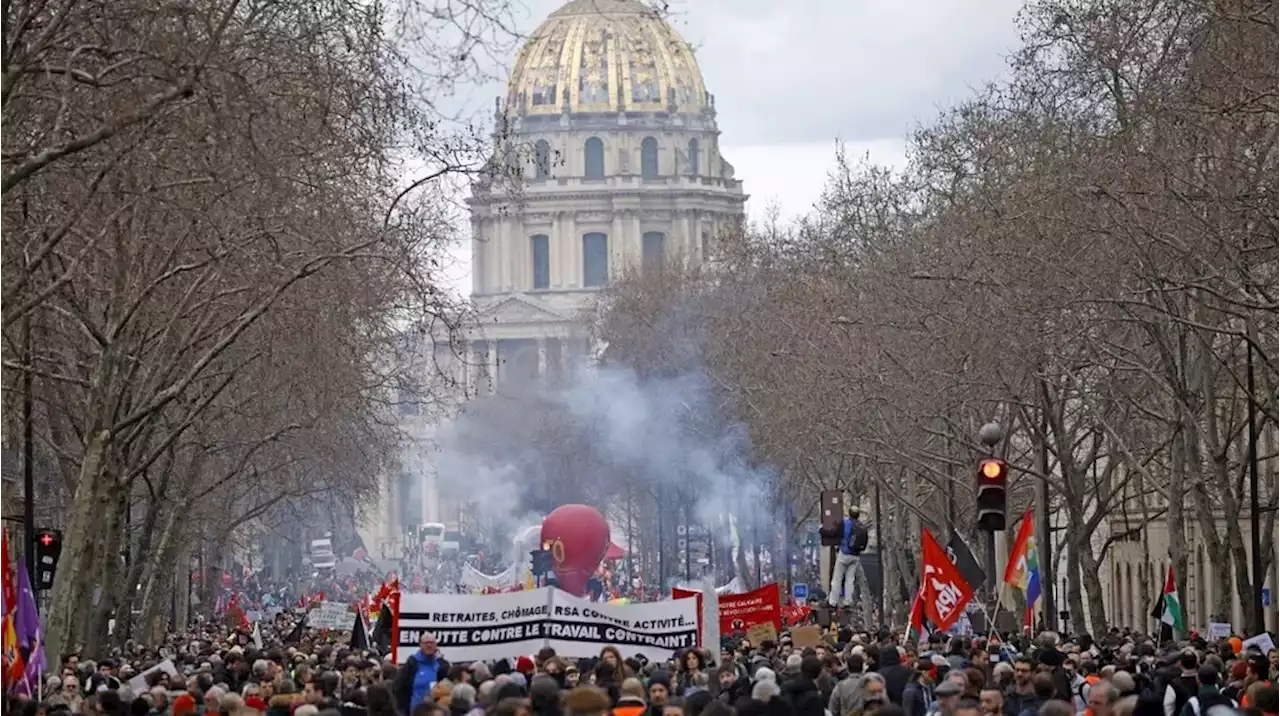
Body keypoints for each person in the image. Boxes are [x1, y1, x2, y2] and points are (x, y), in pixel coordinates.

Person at [393, 633, 451, 716]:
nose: (429, 645)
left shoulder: (442, 665)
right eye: (426, 643)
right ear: (420, 645)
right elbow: (398, 687)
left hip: (436, 710)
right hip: (414, 711)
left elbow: (448, 686)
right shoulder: (412, 664)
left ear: (436, 645)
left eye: (431, 643)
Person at [828, 508, 867, 609]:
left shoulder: (845, 523)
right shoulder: (862, 526)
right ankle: (847, 602)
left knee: (837, 578)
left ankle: (833, 602)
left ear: (849, 514)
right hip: (855, 556)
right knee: (850, 580)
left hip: (844, 554)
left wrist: (822, 530)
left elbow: (834, 534)